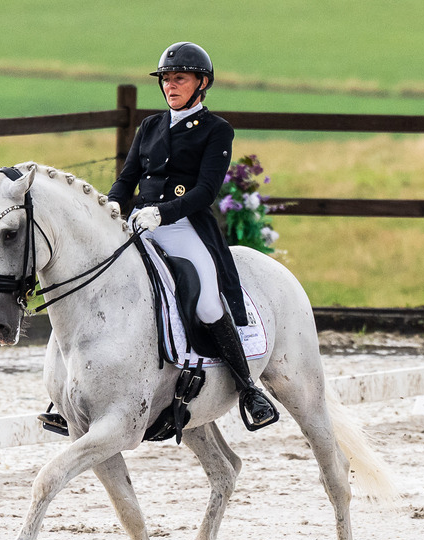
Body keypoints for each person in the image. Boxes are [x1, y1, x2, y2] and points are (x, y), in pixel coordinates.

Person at [39, 41, 277, 436]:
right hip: (138, 223)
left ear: (202, 83)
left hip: (183, 226)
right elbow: (127, 177)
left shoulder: (217, 130)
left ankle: (248, 388)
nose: (170, 86)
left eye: (179, 78)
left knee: (204, 301)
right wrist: (111, 207)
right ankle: (68, 395)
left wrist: (162, 212)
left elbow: (205, 191)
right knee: (96, 284)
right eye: (166, 79)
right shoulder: (150, 126)